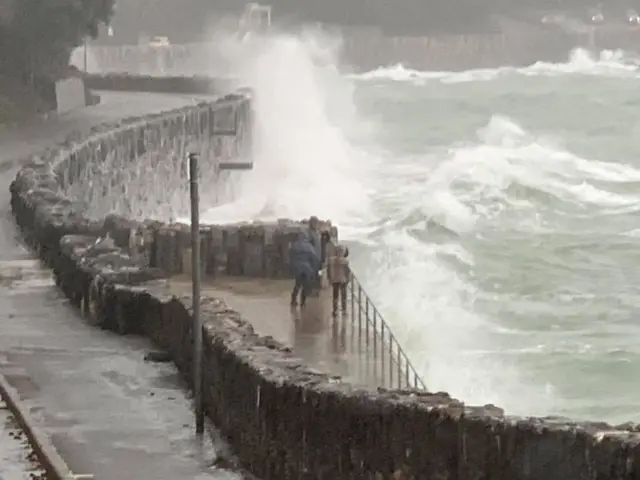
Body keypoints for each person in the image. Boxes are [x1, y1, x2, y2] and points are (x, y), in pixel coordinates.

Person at [289, 231, 321, 308]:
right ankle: (302, 302)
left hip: (297, 268)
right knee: (305, 285)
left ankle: (293, 300)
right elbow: (314, 258)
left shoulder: (294, 245)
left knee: (297, 284)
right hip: (307, 268)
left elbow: (291, 256)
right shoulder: (309, 246)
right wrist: (315, 269)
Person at [327, 243, 350, 316]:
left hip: (335, 279)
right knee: (343, 295)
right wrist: (348, 279)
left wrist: (329, 278)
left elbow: (328, 270)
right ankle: (344, 310)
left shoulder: (331, 260)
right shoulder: (345, 261)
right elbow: (347, 272)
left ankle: (335, 310)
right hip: (343, 280)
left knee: (335, 295)